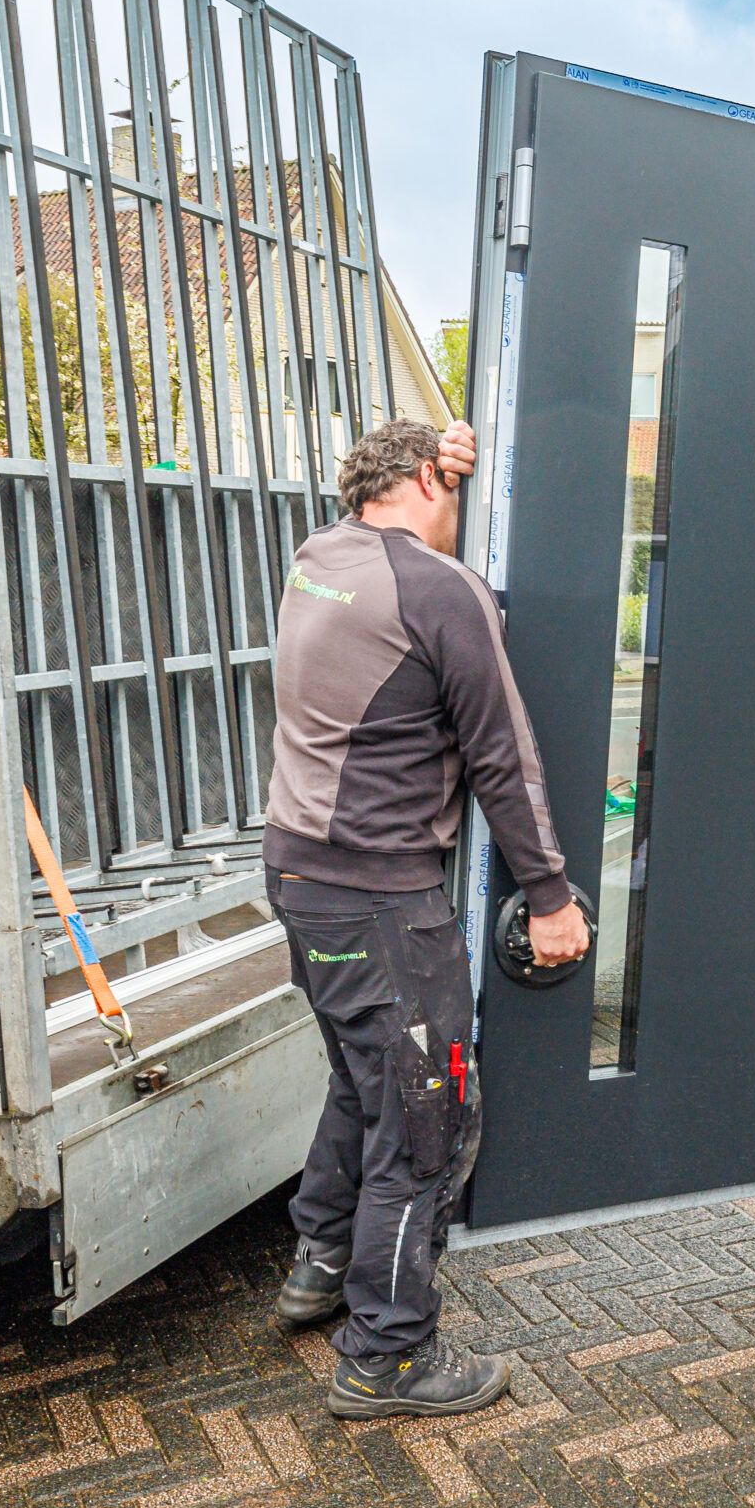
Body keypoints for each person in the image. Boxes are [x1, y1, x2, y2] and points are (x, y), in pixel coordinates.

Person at [262, 416, 592, 1419]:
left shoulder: (320, 558)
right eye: (451, 491)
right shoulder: (440, 590)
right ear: (424, 480)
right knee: (426, 1117)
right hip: (382, 900)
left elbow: (398, 550)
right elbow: (502, 755)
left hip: (301, 879)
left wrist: (435, 457)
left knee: (366, 1080)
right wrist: (549, 897)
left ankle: (321, 1260)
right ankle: (389, 1356)